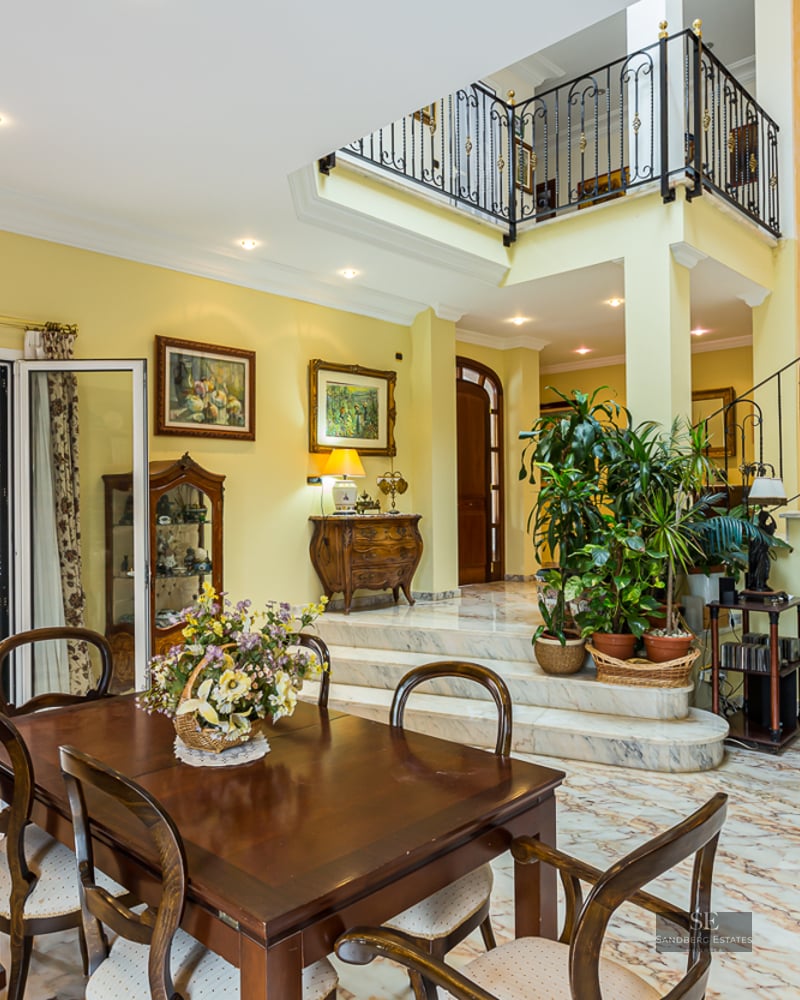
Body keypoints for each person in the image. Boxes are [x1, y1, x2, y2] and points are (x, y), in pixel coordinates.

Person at [746, 508, 776, 592]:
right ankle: (758, 584)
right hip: (759, 553)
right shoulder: (759, 529)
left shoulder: (764, 528)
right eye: (766, 518)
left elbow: (773, 527)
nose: (767, 519)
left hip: (763, 552)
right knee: (762, 568)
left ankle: (762, 584)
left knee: (766, 568)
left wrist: (769, 515)